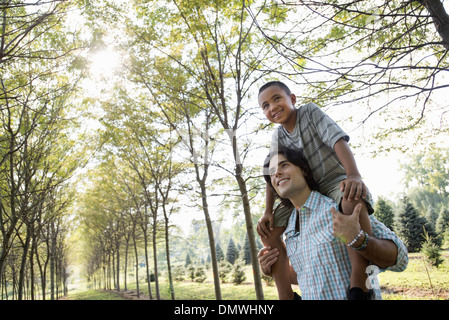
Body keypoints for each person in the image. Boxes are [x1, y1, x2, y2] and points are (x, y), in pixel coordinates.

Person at [257, 80, 375, 299]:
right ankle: (286, 295)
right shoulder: (278, 136)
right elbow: (271, 171)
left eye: (276, 99)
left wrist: (353, 175)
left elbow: (337, 140)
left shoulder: (309, 112)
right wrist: (267, 211)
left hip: (333, 180)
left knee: (350, 199)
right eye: (265, 106)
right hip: (307, 187)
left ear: (292, 99)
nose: (272, 107)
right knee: (269, 231)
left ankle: (360, 286)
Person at [258, 147, 408, 299]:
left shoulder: (339, 208)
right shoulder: (288, 230)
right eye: (271, 173)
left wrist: (359, 240)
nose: (276, 173)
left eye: (284, 165)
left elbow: (401, 259)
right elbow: (312, 275)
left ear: (303, 170)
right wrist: (274, 270)